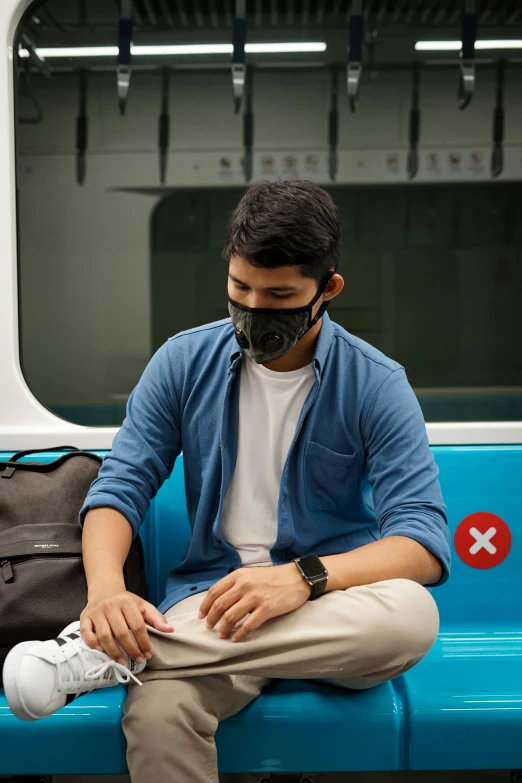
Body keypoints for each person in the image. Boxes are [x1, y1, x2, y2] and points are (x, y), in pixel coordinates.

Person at [3, 179, 450, 783]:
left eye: (281, 293)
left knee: (410, 615)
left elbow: (422, 542)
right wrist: (105, 593)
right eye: (241, 287)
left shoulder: (376, 383)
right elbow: (119, 488)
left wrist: (301, 579)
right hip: (213, 608)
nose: (255, 309)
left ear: (328, 290)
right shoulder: (183, 363)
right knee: (158, 713)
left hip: (330, 610)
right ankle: (129, 652)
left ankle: (112, 658)